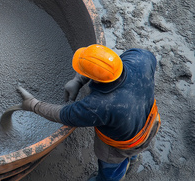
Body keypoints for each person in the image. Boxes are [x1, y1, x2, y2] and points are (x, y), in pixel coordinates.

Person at [16, 44, 161, 181]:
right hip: (150, 120)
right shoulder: (140, 57)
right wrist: (78, 80)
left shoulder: (100, 105)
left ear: (97, 81)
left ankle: (110, 177)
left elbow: (65, 115)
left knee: (112, 166)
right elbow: (106, 69)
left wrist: (34, 105)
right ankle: (133, 158)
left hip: (123, 143)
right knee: (134, 151)